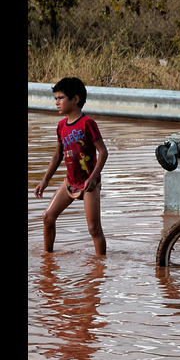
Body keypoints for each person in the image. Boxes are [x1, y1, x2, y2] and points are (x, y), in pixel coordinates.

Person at [35, 77, 109, 256]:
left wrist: (93, 179)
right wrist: (45, 181)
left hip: (89, 184)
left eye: (60, 98)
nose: (56, 102)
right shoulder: (61, 126)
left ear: (75, 99)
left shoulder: (87, 123)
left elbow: (103, 152)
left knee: (94, 228)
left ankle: (101, 266)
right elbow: (57, 155)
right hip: (70, 182)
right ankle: (48, 258)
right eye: (56, 98)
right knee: (47, 217)